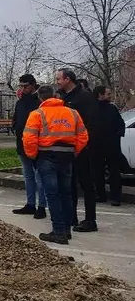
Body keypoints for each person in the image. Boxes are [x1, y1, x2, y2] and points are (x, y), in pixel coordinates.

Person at [23, 85, 89, 244]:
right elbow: (83, 136)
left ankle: (58, 231)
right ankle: (66, 230)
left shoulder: (37, 114)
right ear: (56, 96)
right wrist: (74, 152)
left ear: (40, 98)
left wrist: (33, 156)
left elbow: (29, 139)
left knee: (52, 194)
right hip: (67, 156)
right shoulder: (72, 113)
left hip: (46, 156)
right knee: (65, 193)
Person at [56, 68, 99, 232]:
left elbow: (91, 125)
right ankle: (70, 216)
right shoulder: (64, 98)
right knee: (69, 184)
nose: (57, 82)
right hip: (68, 149)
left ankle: (90, 220)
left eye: (59, 79)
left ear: (67, 79)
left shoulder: (85, 97)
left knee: (87, 184)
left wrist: (83, 146)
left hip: (83, 148)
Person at [11, 74, 46, 218]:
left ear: (33, 86)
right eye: (21, 86)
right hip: (21, 143)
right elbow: (16, 119)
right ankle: (30, 203)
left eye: (26, 86)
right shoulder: (20, 103)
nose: (23, 89)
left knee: (39, 176)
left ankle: (41, 206)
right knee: (28, 176)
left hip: (36, 145)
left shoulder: (38, 103)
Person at [92, 85, 124, 206]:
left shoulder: (112, 109)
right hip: (96, 145)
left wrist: (118, 135)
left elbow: (120, 124)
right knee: (97, 171)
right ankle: (101, 195)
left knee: (114, 171)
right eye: (108, 94)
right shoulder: (92, 109)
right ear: (100, 95)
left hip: (112, 146)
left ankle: (116, 197)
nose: (110, 96)